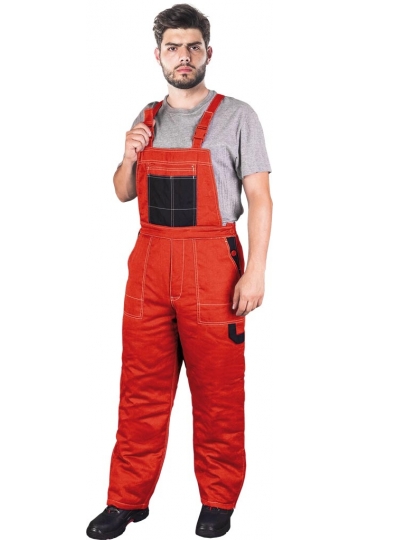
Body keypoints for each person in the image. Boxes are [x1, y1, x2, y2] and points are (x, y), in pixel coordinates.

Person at [86, 4, 273, 538]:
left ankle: (218, 499)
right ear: (158, 55)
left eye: (193, 47)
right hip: (149, 265)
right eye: (173, 48)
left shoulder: (238, 116)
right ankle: (126, 499)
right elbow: (123, 193)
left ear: (208, 53)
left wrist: (256, 273)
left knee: (218, 393)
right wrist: (128, 155)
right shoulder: (146, 117)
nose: (183, 56)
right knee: (140, 390)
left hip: (214, 267)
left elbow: (261, 199)